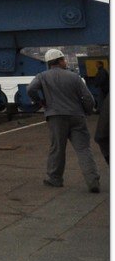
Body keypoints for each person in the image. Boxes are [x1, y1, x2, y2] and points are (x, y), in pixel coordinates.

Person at [27, 49, 99, 193]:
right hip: (77, 116)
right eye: (64, 59)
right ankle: (93, 181)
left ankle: (54, 179)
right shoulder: (74, 77)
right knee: (84, 149)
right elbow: (88, 98)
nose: (65, 62)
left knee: (57, 149)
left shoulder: (42, 76)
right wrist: (87, 111)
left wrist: (40, 102)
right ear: (59, 61)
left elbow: (30, 89)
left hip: (56, 117)